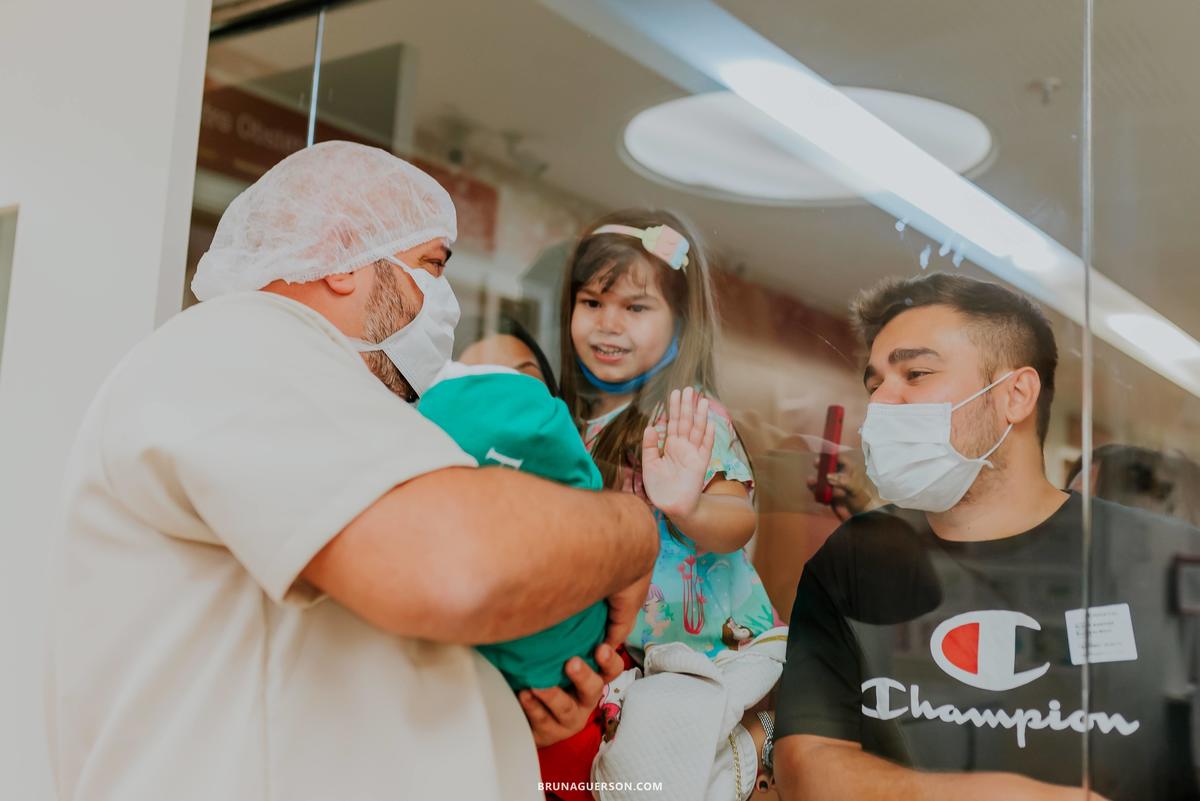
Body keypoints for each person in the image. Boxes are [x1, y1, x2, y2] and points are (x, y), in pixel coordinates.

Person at [46, 141, 659, 801]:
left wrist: (507, 707)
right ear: (342, 256)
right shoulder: (249, 346)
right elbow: (452, 564)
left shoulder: (315, 399)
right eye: (432, 264)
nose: (446, 302)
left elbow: (337, 653)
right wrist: (633, 531)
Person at [773, 272, 1200, 801]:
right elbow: (806, 766)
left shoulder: (1169, 563)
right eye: (875, 383)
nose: (882, 402)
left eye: (916, 373)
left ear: (1015, 395)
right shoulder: (856, 557)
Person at [557, 210, 785, 800]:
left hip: (717, 657)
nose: (609, 325)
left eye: (635, 307)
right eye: (592, 303)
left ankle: (753, 750)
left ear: (680, 321)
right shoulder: (574, 424)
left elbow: (736, 522)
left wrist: (688, 508)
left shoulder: (686, 415)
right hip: (638, 665)